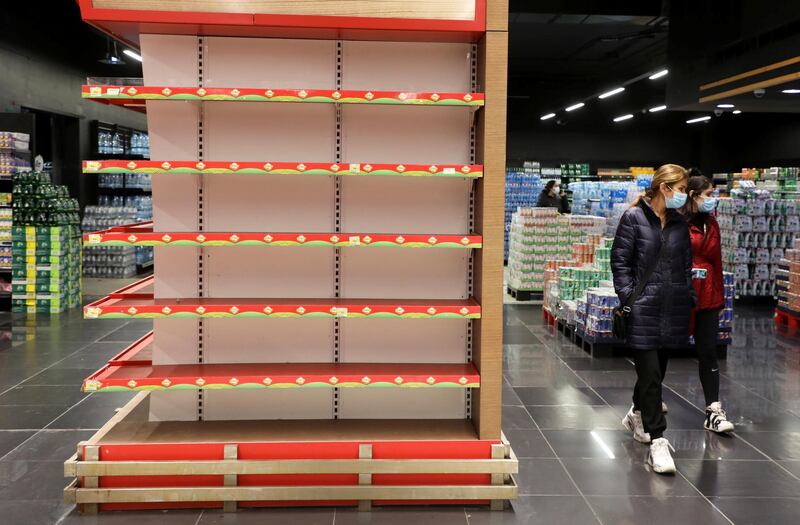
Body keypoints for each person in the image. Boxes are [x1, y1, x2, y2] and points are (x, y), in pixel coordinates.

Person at [611, 164, 694, 474]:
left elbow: (686, 265)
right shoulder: (633, 218)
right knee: (651, 376)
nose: (684, 195)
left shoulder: (679, 225)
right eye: (682, 189)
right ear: (665, 188)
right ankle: (658, 441)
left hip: (672, 310)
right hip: (643, 309)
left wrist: (687, 296)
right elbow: (620, 262)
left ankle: (636, 413)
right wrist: (630, 297)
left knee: (655, 371)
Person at [681, 170, 734, 433]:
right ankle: (642, 405)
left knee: (708, 352)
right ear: (692, 195)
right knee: (663, 351)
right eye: (709, 195)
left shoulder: (712, 224)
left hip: (709, 295)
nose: (713, 199)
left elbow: (717, 261)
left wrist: (720, 296)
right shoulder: (677, 222)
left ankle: (713, 409)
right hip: (682, 294)